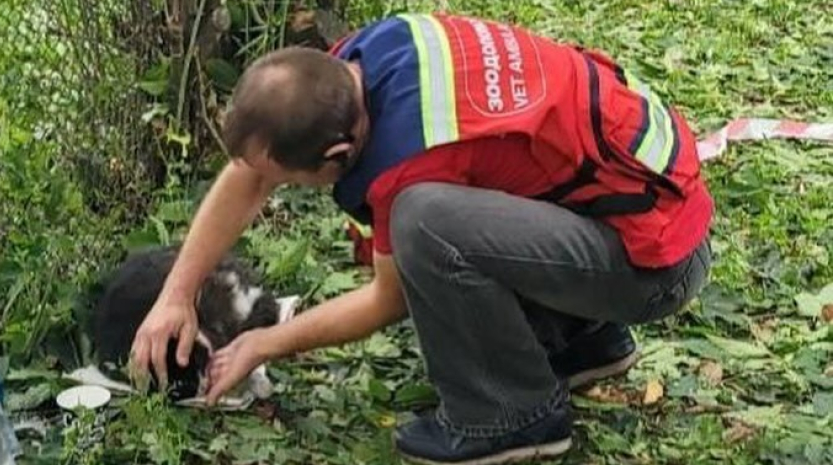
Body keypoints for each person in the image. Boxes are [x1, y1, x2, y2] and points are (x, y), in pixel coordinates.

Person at [129, 12, 712, 464]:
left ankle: (511, 414)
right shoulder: (361, 62)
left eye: (290, 182)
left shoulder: (411, 159)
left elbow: (389, 299)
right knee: (450, 213)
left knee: (424, 224)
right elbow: (251, 170)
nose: (273, 188)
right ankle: (581, 341)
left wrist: (263, 344)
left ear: (336, 156)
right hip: (625, 215)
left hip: (654, 268)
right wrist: (176, 294)